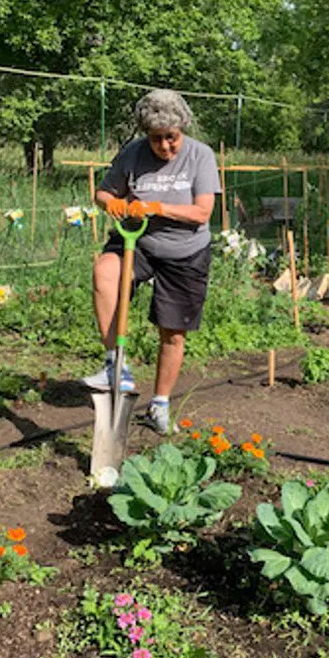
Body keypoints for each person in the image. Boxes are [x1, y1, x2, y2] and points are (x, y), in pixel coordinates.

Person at [82, 88, 220, 434]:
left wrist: (157, 208)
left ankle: (159, 404)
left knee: (172, 333)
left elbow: (203, 211)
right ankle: (116, 364)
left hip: (185, 251)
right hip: (137, 243)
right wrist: (109, 203)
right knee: (104, 271)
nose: (165, 147)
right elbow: (103, 191)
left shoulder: (200, 156)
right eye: (156, 139)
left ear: (181, 130)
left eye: (171, 138)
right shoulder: (133, 152)